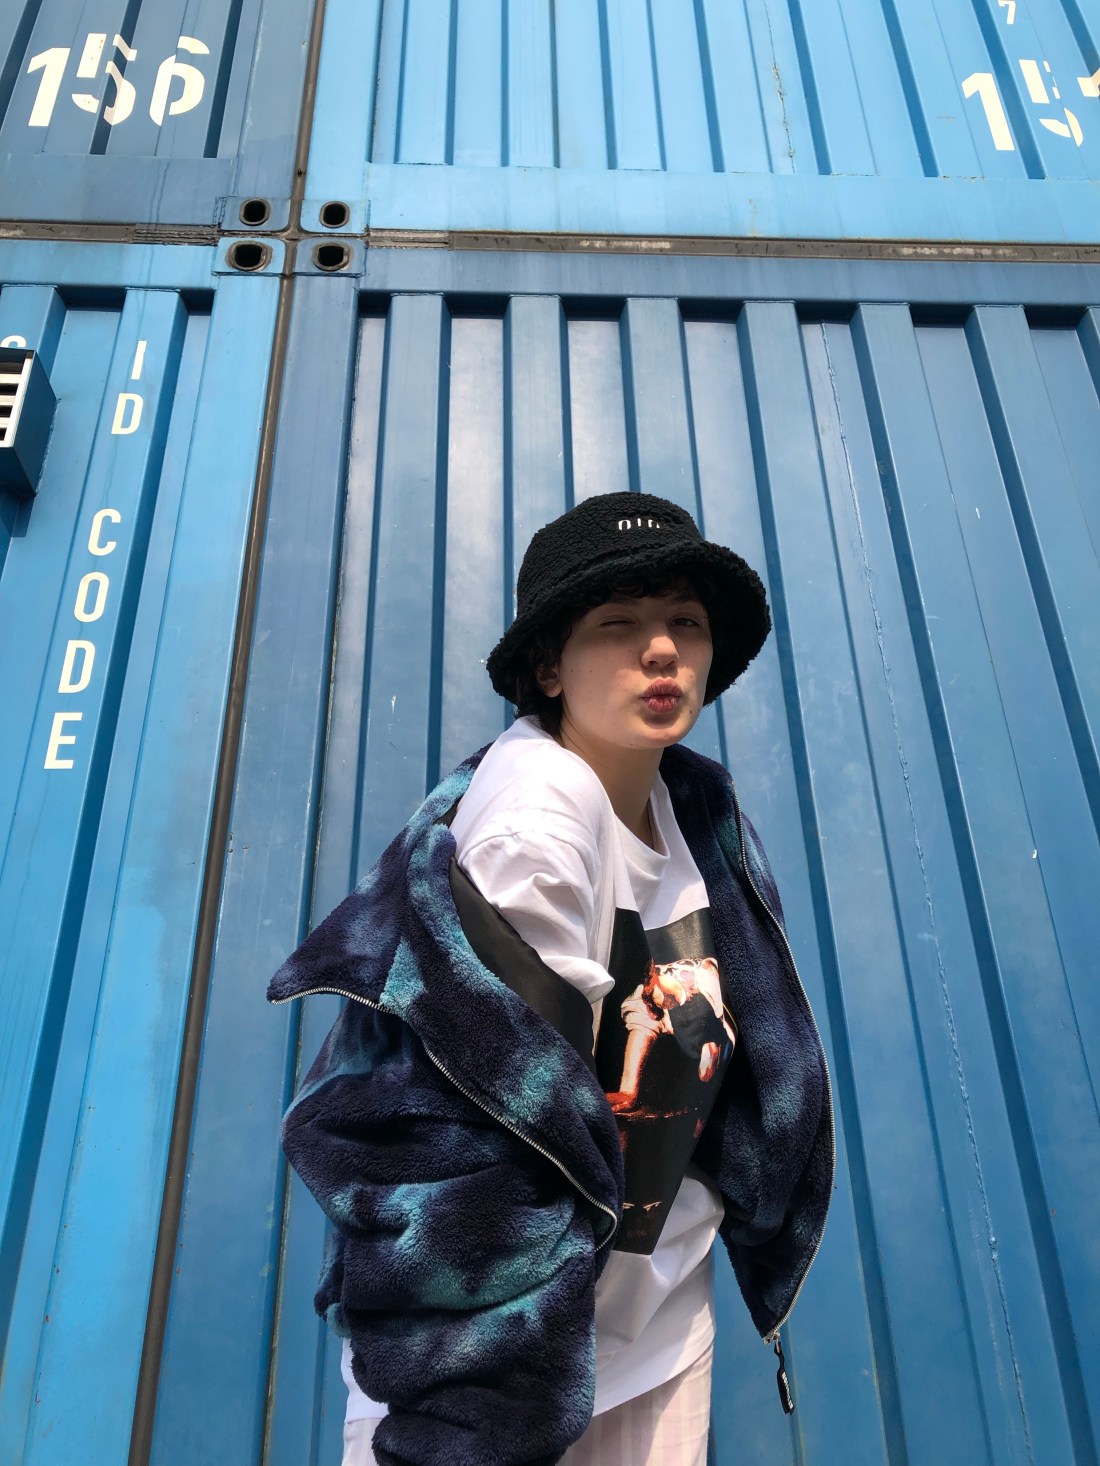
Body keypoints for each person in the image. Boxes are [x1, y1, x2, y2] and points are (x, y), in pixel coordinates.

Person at [268, 491, 834, 1466]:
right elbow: (469, 1151)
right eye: (618, 623)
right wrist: (469, 1419)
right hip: (494, 1358)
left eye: (685, 620)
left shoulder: (695, 805)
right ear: (548, 666)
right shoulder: (534, 823)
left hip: (656, 1322)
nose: (662, 649)